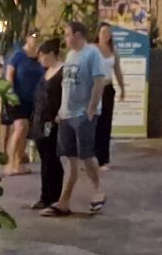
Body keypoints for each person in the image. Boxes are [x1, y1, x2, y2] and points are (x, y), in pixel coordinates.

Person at [44, 19, 106, 218]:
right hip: (67, 114)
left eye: (67, 34)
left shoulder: (92, 53)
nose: (65, 38)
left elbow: (99, 81)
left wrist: (91, 108)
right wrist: (61, 111)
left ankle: (97, 192)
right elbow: (66, 86)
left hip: (83, 114)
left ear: (77, 35)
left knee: (86, 154)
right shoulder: (70, 55)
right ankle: (64, 201)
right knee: (70, 159)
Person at [93, 22, 129, 200]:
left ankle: (103, 159)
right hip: (94, 88)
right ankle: (90, 156)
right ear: (98, 33)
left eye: (108, 32)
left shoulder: (113, 51)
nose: (106, 35)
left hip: (108, 88)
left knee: (105, 124)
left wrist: (122, 88)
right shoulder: (92, 49)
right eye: (103, 32)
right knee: (94, 122)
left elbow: (118, 71)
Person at [28, 35, 65, 211]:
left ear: (51, 54)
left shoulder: (61, 72)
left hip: (52, 120)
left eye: (43, 56)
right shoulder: (46, 73)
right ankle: (45, 194)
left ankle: (54, 195)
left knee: (51, 155)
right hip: (40, 119)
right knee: (44, 156)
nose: (41, 60)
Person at [2, 30, 43, 175]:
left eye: (38, 37)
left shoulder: (39, 57)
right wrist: (10, 93)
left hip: (31, 99)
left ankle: (19, 162)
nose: (36, 40)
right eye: (33, 37)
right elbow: (9, 75)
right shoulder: (18, 55)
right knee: (20, 127)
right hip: (16, 96)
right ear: (27, 38)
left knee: (25, 131)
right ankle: (10, 162)